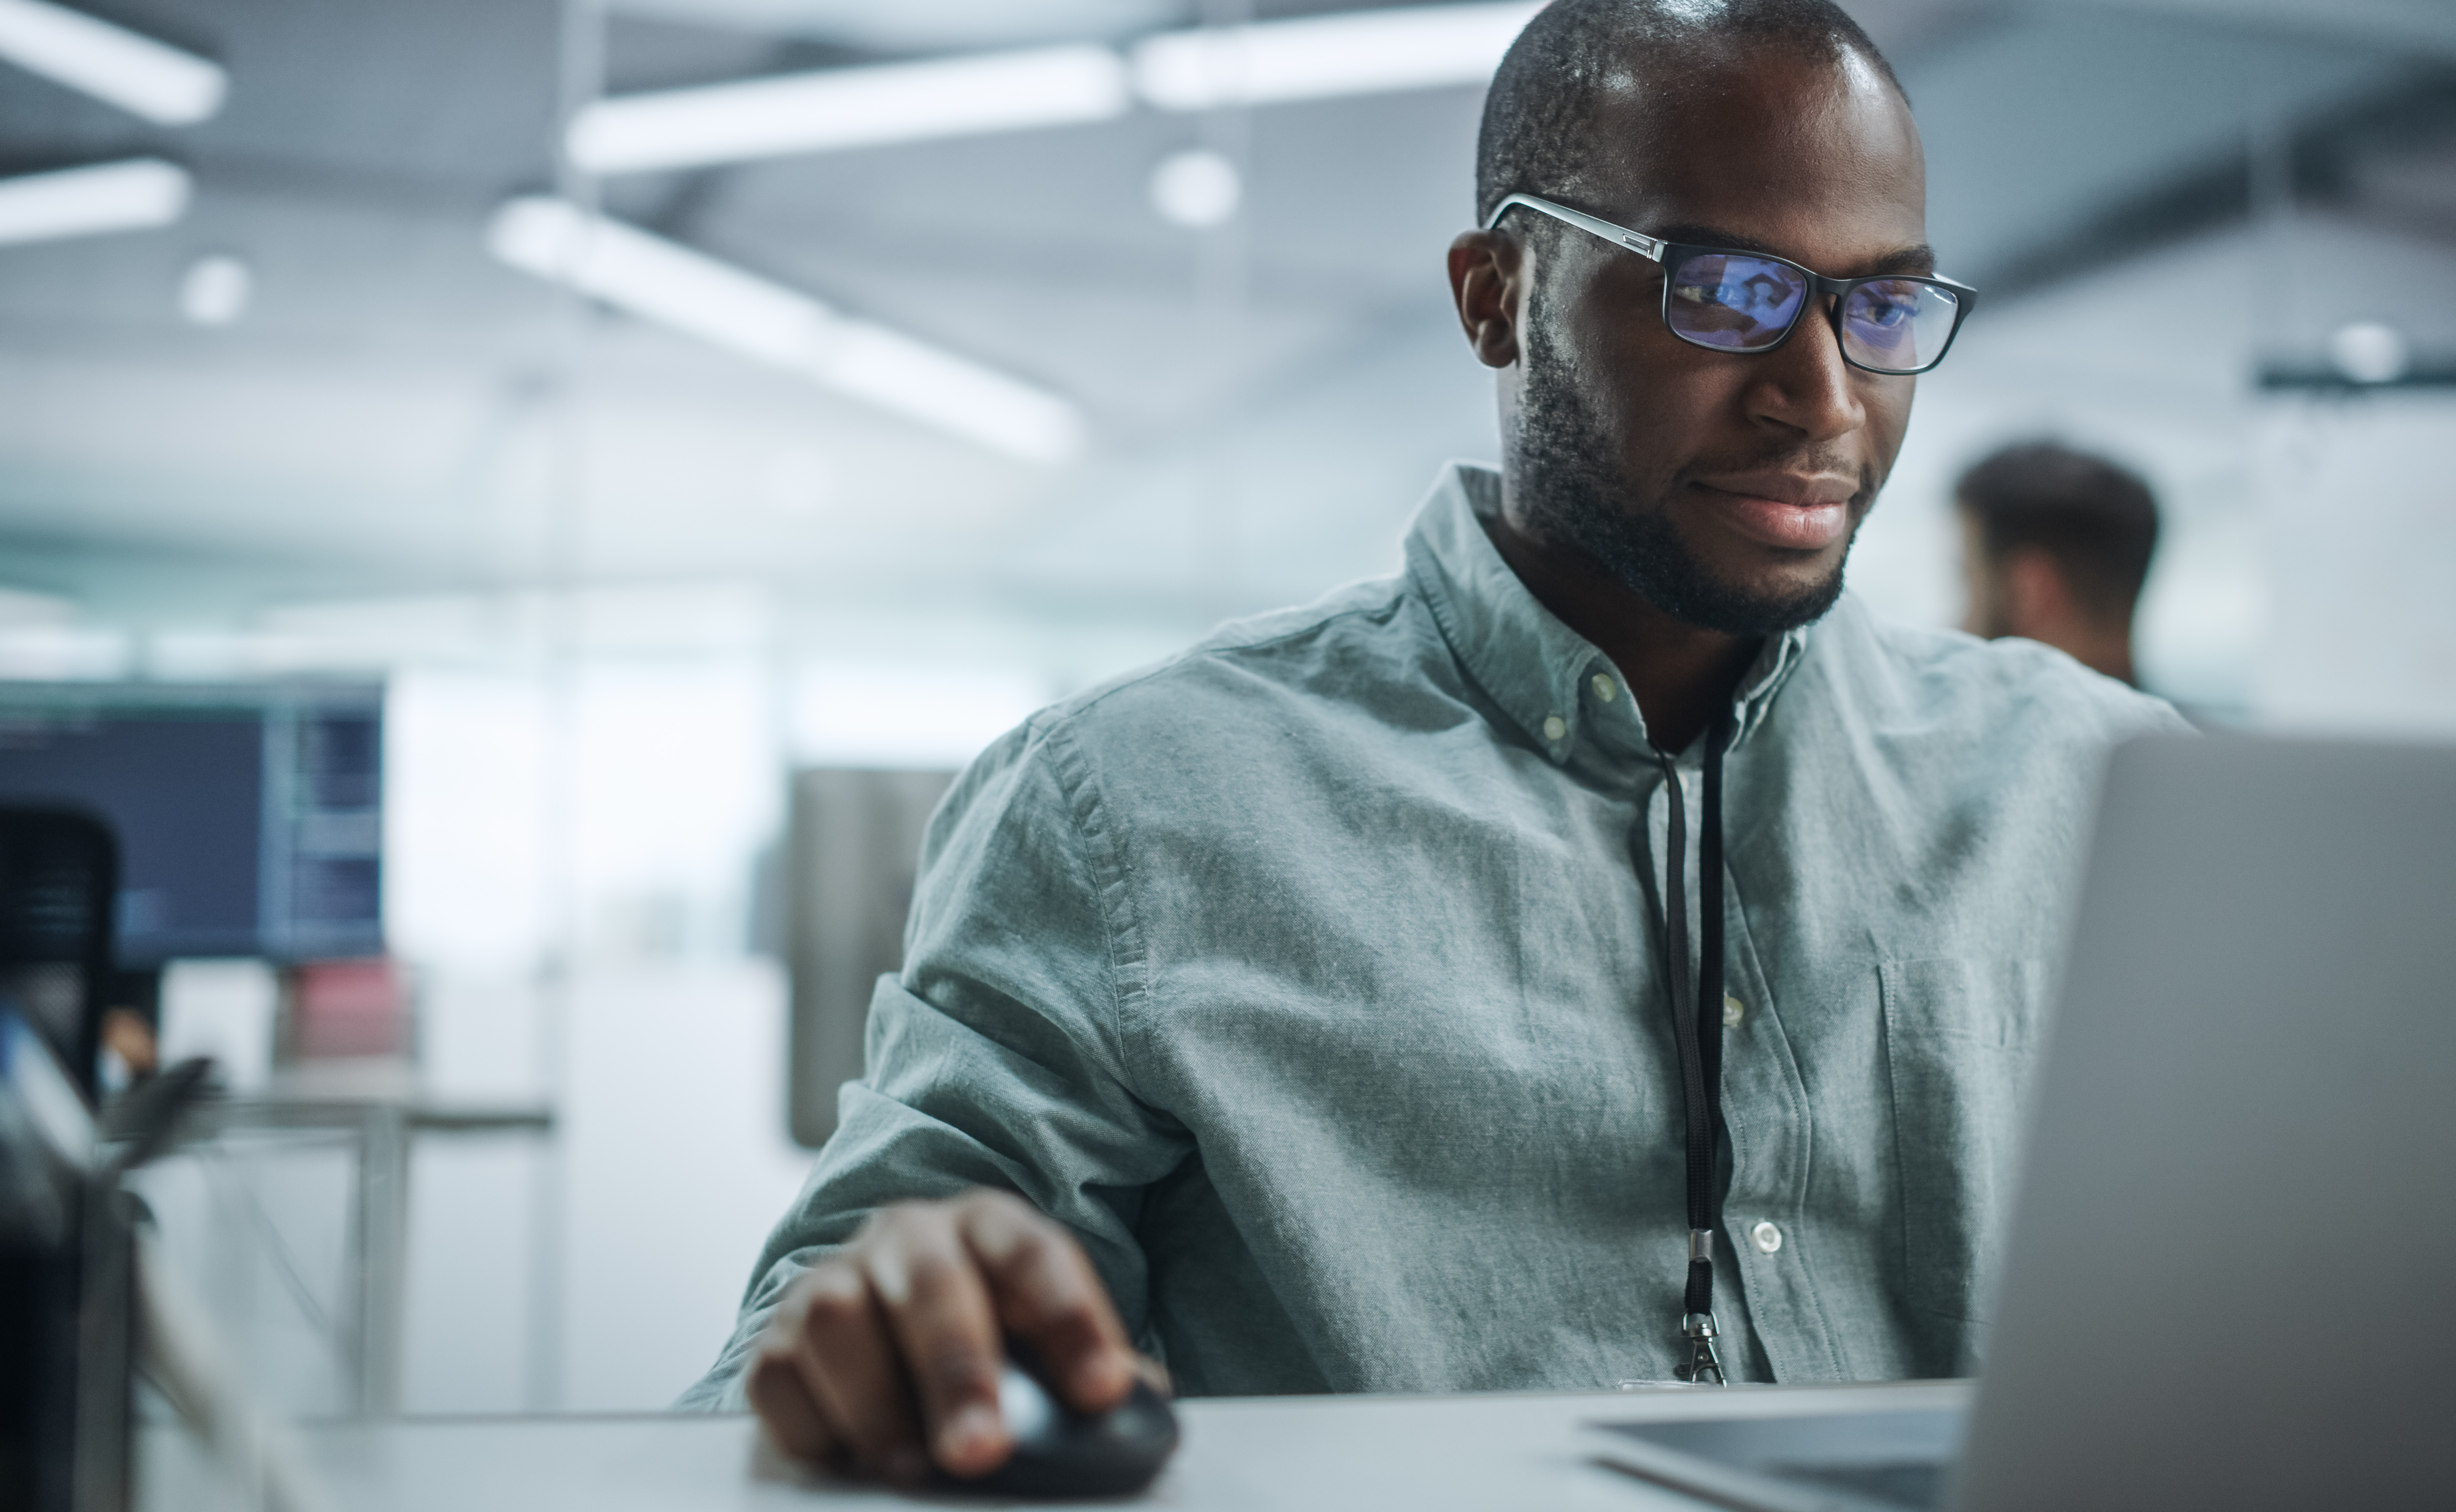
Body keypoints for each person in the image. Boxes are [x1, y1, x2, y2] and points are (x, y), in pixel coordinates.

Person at [686, 0, 2185, 1485]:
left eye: (1883, 309)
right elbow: (803, 1357)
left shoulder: (2106, 791)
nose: (1825, 396)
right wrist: (906, 1316)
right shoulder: (1128, 809)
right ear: (1496, 294)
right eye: (1723, 292)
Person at [1953, 441, 2161, 687]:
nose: (1955, 629)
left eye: (1966, 583)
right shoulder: (2179, 725)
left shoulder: (1961, 719)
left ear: (2030, 594)